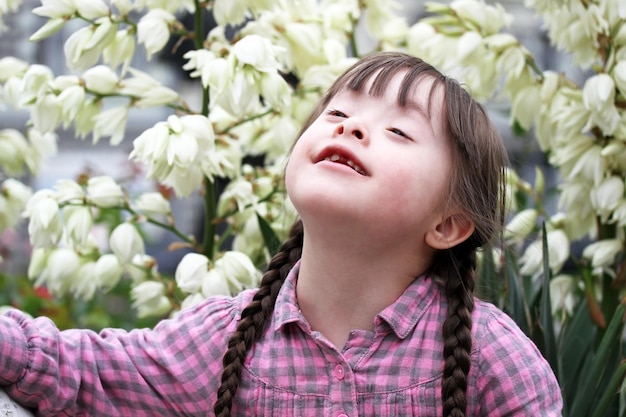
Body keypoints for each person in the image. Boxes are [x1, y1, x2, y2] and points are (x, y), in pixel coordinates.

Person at [0, 51, 562, 417]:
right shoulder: (226, 341)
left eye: (397, 129)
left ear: (448, 224)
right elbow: (93, 373)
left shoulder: (489, 358)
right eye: (337, 111)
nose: (350, 125)